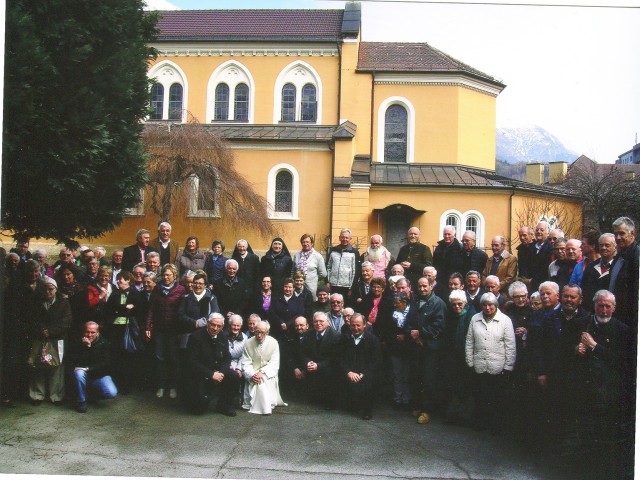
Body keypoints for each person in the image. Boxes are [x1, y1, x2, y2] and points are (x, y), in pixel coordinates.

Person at [465, 292, 516, 432]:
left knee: (495, 398)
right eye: (485, 305)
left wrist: (508, 367)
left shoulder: (505, 320)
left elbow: (510, 345)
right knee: (480, 396)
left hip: (497, 366)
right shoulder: (475, 319)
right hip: (479, 364)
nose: (487, 308)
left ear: (496, 305)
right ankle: (480, 424)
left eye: (491, 305)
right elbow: (469, 342)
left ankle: (494, 426)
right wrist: (470, 362)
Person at [405, 277, 446, 425]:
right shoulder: (415, 301)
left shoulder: (438, 303)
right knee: (417, 376)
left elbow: (439, 326)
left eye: (425, 286)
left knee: (429, 379)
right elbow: (408, 321)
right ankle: (417, 405)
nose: (422, 289)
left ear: (431, 287)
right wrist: (414, 335)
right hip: (416, 346)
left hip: (430, 348)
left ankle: (427, 410)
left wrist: (421, 333)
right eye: (420, 286)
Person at [28, 277, 72, 406]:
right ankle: (37, 395)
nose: (48, 292)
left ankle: (56, 396)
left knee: (57, 367)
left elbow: (67, 321)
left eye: (51, 289)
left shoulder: (63, 302)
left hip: (57, 338)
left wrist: (51, 331)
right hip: (39, 337)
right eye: (45, 289)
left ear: (56, 289)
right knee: (37, 364)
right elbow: (31, 319)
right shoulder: (36, 302)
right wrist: (42, 330)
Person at [145, 264, 185, 400]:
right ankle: (161, 386)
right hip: (159, 330)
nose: (166, 277)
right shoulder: (157, 289)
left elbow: (182, 311)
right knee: (160, 357)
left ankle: (173, 387)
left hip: (174, 330)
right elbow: (151, 309)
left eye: (169, 275)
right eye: (164, 275)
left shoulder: (180, 290)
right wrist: (148, 326)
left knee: (174, 358)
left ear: (174, 276)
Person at [185, 313, 239, 416]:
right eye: (213, 325)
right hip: (200, 373)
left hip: (218, 371)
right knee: (198, 411)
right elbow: (192, 361)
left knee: (234, 376)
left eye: (219, 326)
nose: (215, 328)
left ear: (222, 327)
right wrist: (211, 374)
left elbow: (227, 357)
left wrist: (221, 373)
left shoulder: (223, 336)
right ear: (208, 323)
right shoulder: (195, 337)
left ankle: (224, 406)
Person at [336, 313, 382, 420]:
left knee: (371, 380)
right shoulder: (344, 339)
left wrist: (363, 373)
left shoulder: (373, 340)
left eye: (358, 325)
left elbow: (376, 361)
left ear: (364, 325)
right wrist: (348, 372)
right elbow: (339, 358)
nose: (355, 328)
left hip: (365, 372)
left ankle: (367, 410)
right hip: (350, 371)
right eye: (353, 325)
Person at [440, 289, 476, 425]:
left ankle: (464, 417)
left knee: (465, 387)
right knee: (453, 386)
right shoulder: (449, 315)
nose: (457, 307)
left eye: (459, 304)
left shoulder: (471, 315)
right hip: (452, 357)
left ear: (465, 302)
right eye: (454, 304)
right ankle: (453, 415)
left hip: (466, 357)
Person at [240, 321, 286, 415]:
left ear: (267, 332)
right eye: (257, 332)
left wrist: (262, 372)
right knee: (257, 380)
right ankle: (264, 408)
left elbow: (274, 363)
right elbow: (246, 363)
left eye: (262, 332)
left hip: (267, 373)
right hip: (252, 373)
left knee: (261, 381)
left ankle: (265, 408)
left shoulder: (274, 343)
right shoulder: (248, 343)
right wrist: (252, 375)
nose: (259, 335)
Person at [376, 292, 412, 409]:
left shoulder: (411, 313)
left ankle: (406, 399)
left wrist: (405, 336)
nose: (395, 305)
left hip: (407, 349)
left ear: (404, 302)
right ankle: (397, 398)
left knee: (407, 375)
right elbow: (387, 329)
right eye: (394, 303)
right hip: (395, 348)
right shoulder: (392, 314)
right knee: (397, 374)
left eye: (397, 303)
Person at [72, 321, 118, 413]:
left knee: (111, 392)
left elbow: (105, 364)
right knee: (78, 372)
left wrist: (89, 368)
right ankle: (82, 401)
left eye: (92, 332)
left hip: (98, 375)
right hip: (83, 375)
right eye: (87, 332)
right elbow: (76, 362)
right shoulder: (78, 342)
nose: (89, 335)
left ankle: (92, 394)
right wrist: (86, 347)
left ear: (97, 333)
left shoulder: (104, 343)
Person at [299, 311, 341, 409]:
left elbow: (335, 357)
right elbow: (303, 352)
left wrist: (319, 365)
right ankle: (315, 397)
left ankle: (330, 401)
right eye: (315, 321)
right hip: (312, 365)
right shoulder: (308, 334)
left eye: (321, 321)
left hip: (328, 366)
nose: (318, 324)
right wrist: (307, 362)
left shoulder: (335, 336)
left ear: (327, 322)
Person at [611, 216, 639, 332]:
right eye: (615, 234)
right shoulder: (619, 255)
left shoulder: (636, 257)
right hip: (617, 314)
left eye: (622, 233)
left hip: (629, 318)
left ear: (632, 233)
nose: (618, 237)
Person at [581, 233, 617, 311]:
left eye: (607, 245)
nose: (603, 248)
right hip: (590, 311)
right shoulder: (591, 267)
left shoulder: (618, 267)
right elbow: (583, 288)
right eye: (601, 245)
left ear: (615, 247)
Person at [326, 228, 361, 299]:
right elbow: (328, 267)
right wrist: (327, 281)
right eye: (342, 237)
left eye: (346, 237)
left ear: (350, 238)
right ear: (339, 238)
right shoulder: (333, 250)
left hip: (347, 287)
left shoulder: (354, 252)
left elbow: (356, 272)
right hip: (333, 285)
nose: (344, 239)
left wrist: (352, 288)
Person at [292, 234, 326, 300]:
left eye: (307, 242)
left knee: (310, 305)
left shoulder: (317, 256)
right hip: (297, 286)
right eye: (303, 242)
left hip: (311, 287)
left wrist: (313, 279)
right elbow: (293, 271)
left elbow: (323, 274)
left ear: (312, 243)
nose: (305, 244)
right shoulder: (297, 255)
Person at [528, 221, 553, 292]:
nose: (539, 232)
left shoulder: (550, 247)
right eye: (537, 230)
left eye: (542, 230)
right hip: (531, 283)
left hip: (544, 283)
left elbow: (546, 267)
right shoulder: (532, 247)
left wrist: (534, 279)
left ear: (548, 233)